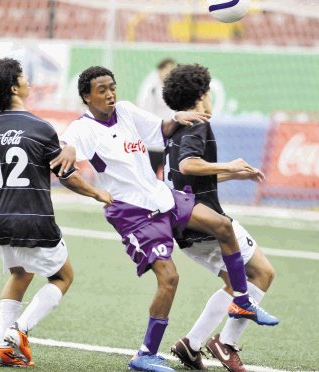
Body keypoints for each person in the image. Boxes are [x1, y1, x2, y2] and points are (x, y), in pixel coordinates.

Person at [59, 66, 278, 372]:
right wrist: (95, 193)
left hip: (162, 197)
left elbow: (160, 130)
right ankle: (145, 355)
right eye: (102, 90)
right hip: (132, 213)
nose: (110, 94)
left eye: (112, 87)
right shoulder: (80, 130)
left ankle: (242, 299)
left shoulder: (124, 110)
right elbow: (65, 164)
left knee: (222, 225)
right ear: (86, 96)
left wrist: (177, 118)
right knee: (170, 279)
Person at [0, 58, 113, 367]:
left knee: (19, 274)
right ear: (14, 87)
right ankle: (19, 331)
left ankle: (1, 347)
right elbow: (66, 175)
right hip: (33, 218)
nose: (29, 81)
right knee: (63, 276)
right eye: (23, 77)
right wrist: (97, 193)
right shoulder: (39, 128)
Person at [162, 63, 277, 372]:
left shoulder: (174, 128)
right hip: (206, 222)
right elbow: (189, 165)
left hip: (184, 225)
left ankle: (191, 344)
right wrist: (228, 165)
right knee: (263, 273)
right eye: (209, 92)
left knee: (233, 281)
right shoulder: (198, 124)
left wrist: (230, 176)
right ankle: (225, 345)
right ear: (202, 94)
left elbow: (182, 179)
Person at [137, 58, 177, 179]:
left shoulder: (177, 88)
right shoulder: (151, 88)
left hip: (171, 141)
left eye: (173, 69)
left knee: (170, 178)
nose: (170, 72)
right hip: (153, 141)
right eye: (168, 69)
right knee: (149, 177)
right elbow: (144, 111)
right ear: (160, 70)